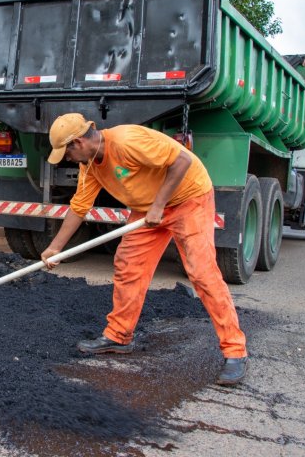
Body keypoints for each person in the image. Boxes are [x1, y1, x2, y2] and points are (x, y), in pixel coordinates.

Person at [39, 113, 249, 385]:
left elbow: (182, 160)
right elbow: (79, 207)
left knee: (201, 273)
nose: (66, 159)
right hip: (147, 208)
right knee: (128, 266)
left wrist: (159, 205)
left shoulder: (126, 141)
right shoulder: (89, 165)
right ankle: (118, 335)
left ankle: (235, 351)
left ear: (78, 142)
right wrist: (55, 248)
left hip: (188, 198)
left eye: (65, 152)